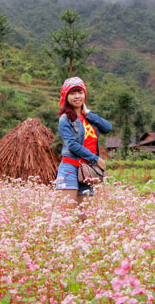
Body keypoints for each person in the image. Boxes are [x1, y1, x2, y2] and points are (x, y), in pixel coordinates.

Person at [55, 77, 112, 214]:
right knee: (67, 215)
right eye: (72, 93)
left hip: (87, 170)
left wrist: (89, 114)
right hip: (70, 167)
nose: (77, 96)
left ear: (84, 94)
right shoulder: (65, 119)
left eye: (79, 92)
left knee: (83, 217)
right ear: (66, 97)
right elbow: (72, 144)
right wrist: (95, 158)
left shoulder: (89, 118)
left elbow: (107, 127)